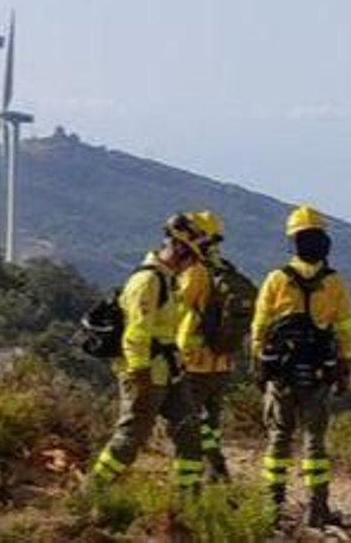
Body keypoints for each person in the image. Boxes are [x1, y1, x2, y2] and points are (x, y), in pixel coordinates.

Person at [87, 214, 209, 492]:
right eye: (192, 257)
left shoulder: (167, 281)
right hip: (146, 373)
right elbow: (136, 333)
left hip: (168, 371)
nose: (192, 265)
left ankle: (187, 501)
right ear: (179, 250)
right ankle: (91, 492)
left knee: (189, 433)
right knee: (130, 440)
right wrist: (140, 374)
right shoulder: (147, 282)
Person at [252, 204, 351, 528]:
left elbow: (260, 327)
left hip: (280, 373)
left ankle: (272, 507)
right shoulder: (335, 282)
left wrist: (259, 365)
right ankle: (317, 509)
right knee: (314, 439)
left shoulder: (276, 279)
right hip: (318, 374)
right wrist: (344, 368)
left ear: (292, 242)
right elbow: (344, 329)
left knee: (278, 437)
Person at [175, 210, 236, 481]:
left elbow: (176, 307)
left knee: (187, 423)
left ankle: (194, 481)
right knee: (209, 422)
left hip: (194, 359)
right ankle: (217, 471)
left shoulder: (196, 271)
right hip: (221, 361)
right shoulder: (225, 270)